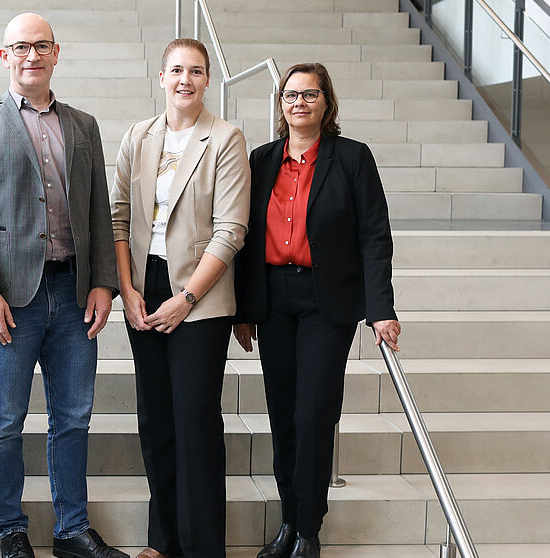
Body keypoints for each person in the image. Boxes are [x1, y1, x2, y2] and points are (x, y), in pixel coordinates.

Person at [0, 12, 124, 558]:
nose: (32, 55)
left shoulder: (84, 125)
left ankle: (72, 529)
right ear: (4, 56)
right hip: (10, 299)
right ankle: (11, 529)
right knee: (5, 420)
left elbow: (98, 210)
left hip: (74, 293)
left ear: (56, 52)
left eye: (41, 45)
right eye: (21, 46)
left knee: (73, 417)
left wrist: (104, 283)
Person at [233, 62, 401, 558]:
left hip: (326, 302)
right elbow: (245, 238)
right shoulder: (263, 159)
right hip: (273, 300)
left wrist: (381, 308)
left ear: (327, 102)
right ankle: (289, 521)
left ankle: (308, 528)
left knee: (313, 414)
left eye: (310, 94)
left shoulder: (352, 158)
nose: (299, 103)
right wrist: (244, 309)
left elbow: (375, 235)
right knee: (283, 415)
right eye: (291, 95)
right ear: (280, 104)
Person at [110, 38, 251, 558]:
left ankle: (202, 547)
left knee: (194, 419)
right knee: (156, 419)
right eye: (176, 70)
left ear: (208, 79)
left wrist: (186, 297)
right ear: (162, 77)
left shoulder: (225, 138)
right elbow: (119, 219)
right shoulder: (138, 135)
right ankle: (162, 541)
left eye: (195, 70)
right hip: (144, 288)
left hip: (201, 294)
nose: (184, 79)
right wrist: (127, 289)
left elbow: (231, 230)